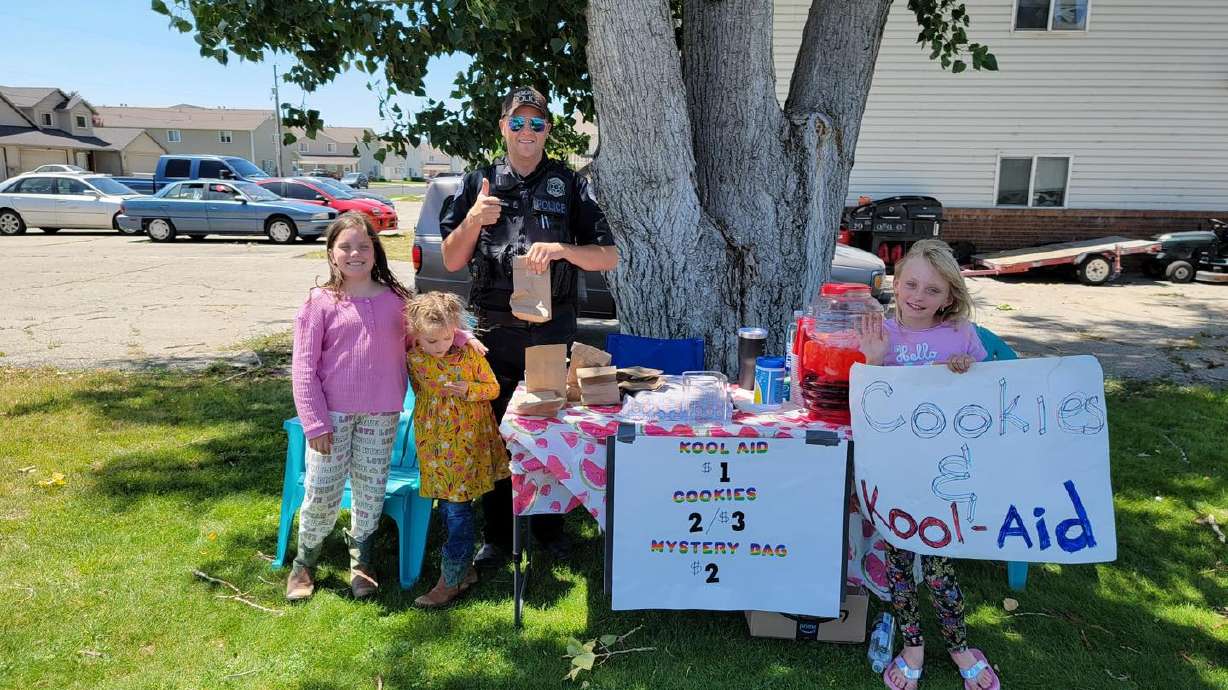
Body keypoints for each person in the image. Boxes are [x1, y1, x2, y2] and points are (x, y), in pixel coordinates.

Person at [439, 86, 618, 568]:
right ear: (502, 128)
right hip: (493, 330)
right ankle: (497, 534)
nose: (526, 132)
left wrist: (563, 250)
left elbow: (609, 254)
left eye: (537, 123)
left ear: (548, 131)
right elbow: (453, 258)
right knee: (495, 429)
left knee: (548, 426)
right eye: (517, 122)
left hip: (550, 330)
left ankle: (548, 526)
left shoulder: (570, 183)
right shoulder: (478, 182)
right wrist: (474, 219)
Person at [286, 212, 474, 601]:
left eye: (363, 246)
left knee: (371, 490)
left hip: (384, 415)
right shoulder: (320, 303)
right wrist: (315, 423)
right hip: (332, 418)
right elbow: (303, 368)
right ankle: (304, 563)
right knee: (322, 490)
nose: (355, 253)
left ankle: (362, 563)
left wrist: (463, 340)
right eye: (346, 246)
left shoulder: (396, 301)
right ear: (331, 253)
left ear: (375, 251)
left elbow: (426, 334)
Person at [855, 239, 1000, 690]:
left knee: (938, 564)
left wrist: (968, 372)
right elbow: (864, 402)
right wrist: (875, 360)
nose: (918, 296)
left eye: (932, 290)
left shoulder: (961, 336)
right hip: (893, 470)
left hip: (945, 473)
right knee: (898, 560)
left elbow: (988, 398)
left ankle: (959, 646)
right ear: (895, 284)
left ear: (950, 297)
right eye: (910, 284)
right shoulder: (877, 331)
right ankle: (913, 644)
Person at [404, 292, 506, 607]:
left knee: (457, 509)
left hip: (468, 444)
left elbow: (493, 389)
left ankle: (451, 578)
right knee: (449, 507)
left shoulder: (469, 356)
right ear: (416, 335)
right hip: (434, 444)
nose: (440, 347)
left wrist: (468, 390)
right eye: (431, 341)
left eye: (447, 338)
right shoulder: (414, 358)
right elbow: (420, 391)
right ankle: (464, 572)